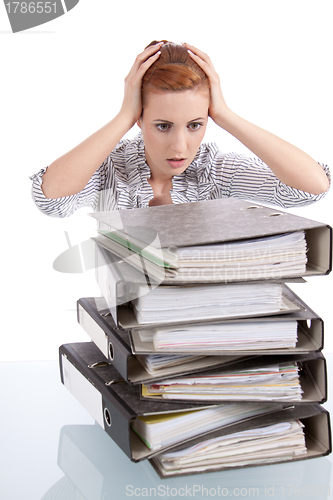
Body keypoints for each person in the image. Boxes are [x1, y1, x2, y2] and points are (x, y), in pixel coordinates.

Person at [30, 41, 330, 216]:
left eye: (195, 125)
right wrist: (123, 116)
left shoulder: (213, 170)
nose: (180, 146)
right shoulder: (112, 170)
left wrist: (224, 114)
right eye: (163, 126)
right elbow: (51, 199)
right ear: (140, 118)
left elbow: (310, 189)